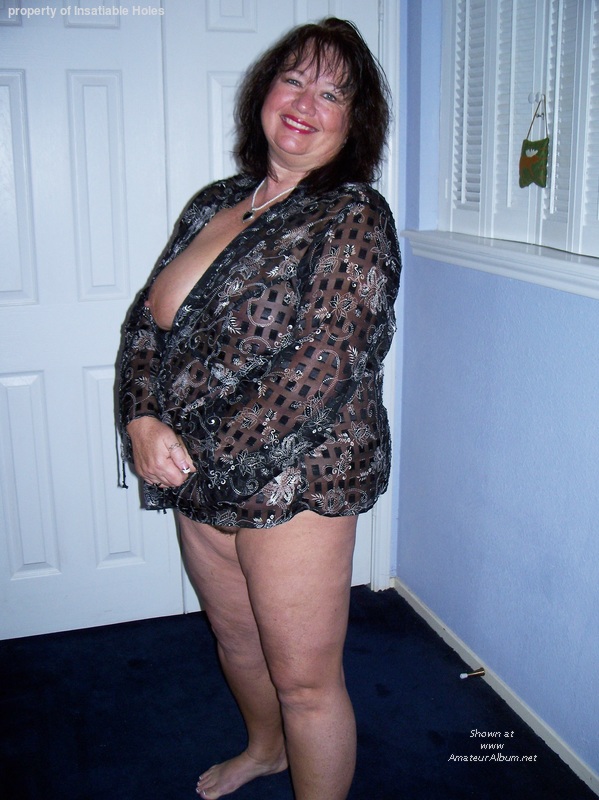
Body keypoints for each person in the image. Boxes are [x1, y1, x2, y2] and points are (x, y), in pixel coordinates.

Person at [118, 17, 400, 800]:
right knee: (237, 641)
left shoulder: (351, 214)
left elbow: (323, 367)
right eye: (294, 80)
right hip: (195, 476)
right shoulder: (213, 202)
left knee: (304, 680)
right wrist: (142, 418)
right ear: (263, 94)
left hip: (296, 481)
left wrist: (195, 457)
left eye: (333, 93)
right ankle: (265, 751)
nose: (306, 103)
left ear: (354, 122)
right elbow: (146, 322)